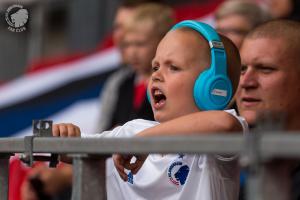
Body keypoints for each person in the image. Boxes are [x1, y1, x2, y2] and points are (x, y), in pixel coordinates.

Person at [52, 20, 248, 200]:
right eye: (155, 67)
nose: (156, 76)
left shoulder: (215, 146)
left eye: (173, 67)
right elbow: (77, 150)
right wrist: (62, 136)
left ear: (212, 90)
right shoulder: (132, 131)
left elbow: (223, 123)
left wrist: (145, 141)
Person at [97, 2, 174, 131]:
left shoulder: (170, 83)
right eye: (127, 44)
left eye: (140, 44)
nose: (132, 52)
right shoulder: (122, 84)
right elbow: (106, 129)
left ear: (162, 41)